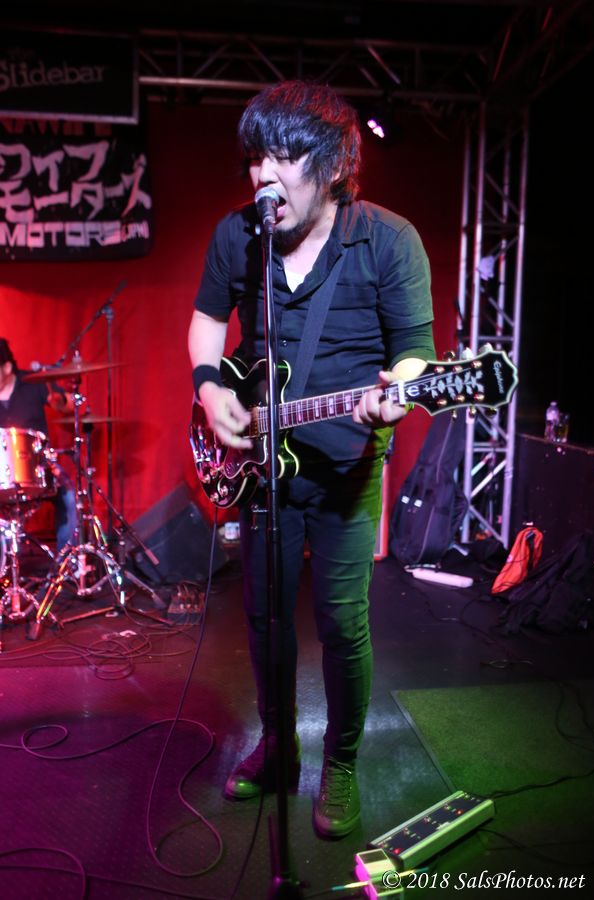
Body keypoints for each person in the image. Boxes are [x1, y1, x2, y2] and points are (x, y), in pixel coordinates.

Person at [188, 80, 435, 839]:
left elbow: (417, 354)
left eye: (284, 156)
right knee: (265, 621)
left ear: (330, 166)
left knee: (341, 624)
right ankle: (279, 747)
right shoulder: (238, 236)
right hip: (264, 472)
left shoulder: (388, 240)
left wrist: (398, 392)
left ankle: (343, 762)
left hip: (347, 468)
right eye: (255, 156)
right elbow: (206, 322)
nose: (263, 173)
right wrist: (209, 390)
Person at [0, 337, 77, 551]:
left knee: (69, 497)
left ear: (7, 368)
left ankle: (66, 560)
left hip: (39, 466)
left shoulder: (34, 382)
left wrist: (60, 402)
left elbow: (70, 404)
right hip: (1, 473)